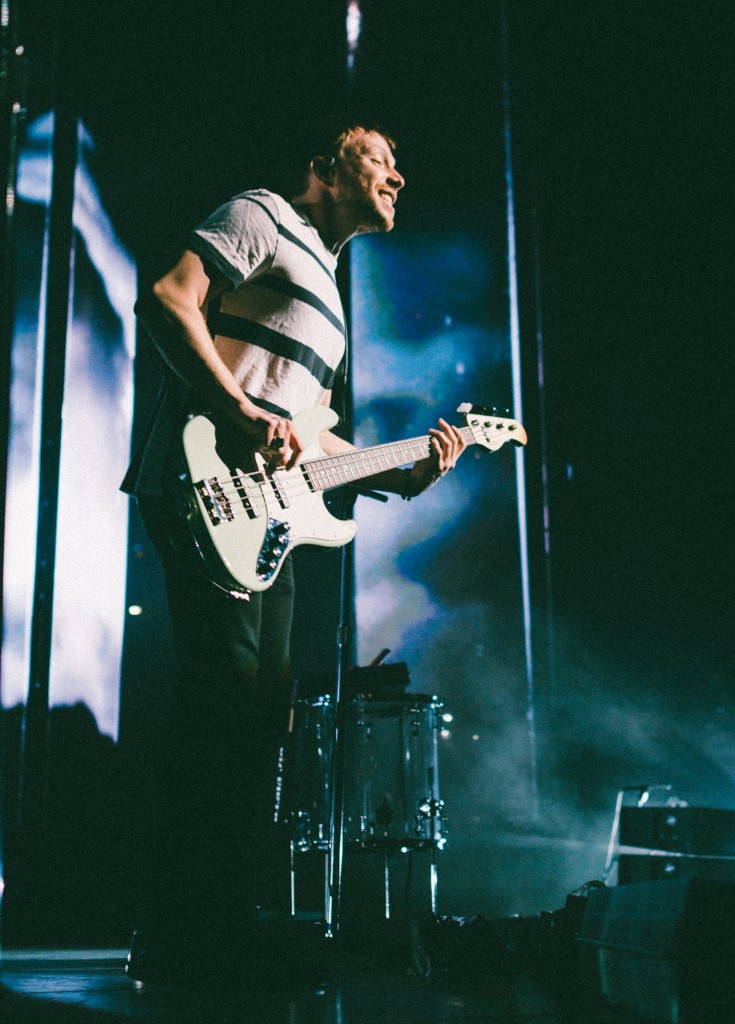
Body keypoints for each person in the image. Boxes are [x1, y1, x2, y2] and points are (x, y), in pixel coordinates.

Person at [122, 122, 467, 985]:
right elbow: (166, 297)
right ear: (324, 165)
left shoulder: (332, 286)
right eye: (377, 155)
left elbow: (309, 447)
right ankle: (178, 937)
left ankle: (213, 927)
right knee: (224, 703)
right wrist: (241, 415)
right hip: (204, 486)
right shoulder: (263, 214)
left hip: (267, 524)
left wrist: (400, 474)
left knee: (254, 725)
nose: (397, 171)